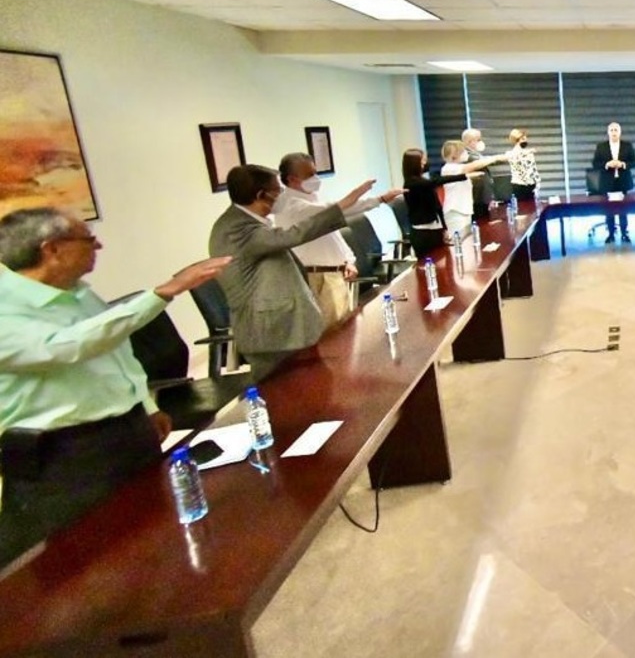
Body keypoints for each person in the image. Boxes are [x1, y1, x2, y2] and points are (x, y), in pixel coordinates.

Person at [0, 207, 230, 567]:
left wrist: (145, 406)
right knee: (87, 558)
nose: (99, 246)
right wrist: (163, 293)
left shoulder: (77, 293)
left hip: (125, 433)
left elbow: (118, 352)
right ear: (52, 249)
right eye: (89, 239)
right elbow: (68, 346)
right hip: (63, 456)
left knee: (150, 533)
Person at [209, 164, 377, 379]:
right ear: (260, 195)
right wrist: (343, 204)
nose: (282, 194)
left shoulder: (247, 220)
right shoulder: (236, 229)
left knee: (313, 385)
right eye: (277, 190)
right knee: (283, 391)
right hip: (270, 333)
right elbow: (295, 234)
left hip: (284, 328)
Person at [273, 152, 405, 329]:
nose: (315, 178)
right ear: (292, 179)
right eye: (309, 175)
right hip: (318, 278)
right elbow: (338, 209)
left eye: (315, 172)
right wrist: (364, 194)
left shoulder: (312, 197)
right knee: (333, 334)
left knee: (346, 330)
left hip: (337, 274)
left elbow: (333, 235)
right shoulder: (291, 206)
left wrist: (348, 260)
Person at [401, 148, 474, 258]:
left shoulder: (422, 181)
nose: (425, 163)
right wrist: (463, 176)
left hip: (435, 229)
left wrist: (444, 228)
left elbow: (437, 206)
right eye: (422, 161)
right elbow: (436, 181)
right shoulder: (412, 183)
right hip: (423, 233)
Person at [439, 141, 507, 238]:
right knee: (459, 241)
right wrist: (495, 158)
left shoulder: (457, 168)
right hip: (456, 211)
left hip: (465, 210)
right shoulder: (448, 168)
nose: (465, 154)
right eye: (462, 151)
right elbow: (474, 165)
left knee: (468, 240)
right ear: (454, 154)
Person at [590, 122, 635, 244]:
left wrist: (623, 164)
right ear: (608, 132)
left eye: (616, 130)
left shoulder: (627, 146)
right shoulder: (601, 147)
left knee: (624, 209)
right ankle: (611, 234)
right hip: (607, 183)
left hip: (623, 182)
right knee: (609, 210)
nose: (614, 132)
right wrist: (607, 164)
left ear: (620, 132)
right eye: (611, 130)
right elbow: (595, 163)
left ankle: (624, 233)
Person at [462, 128, 497, 222]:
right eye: (478, 140)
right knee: (480, 223)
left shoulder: (476, 154)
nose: (481, 142)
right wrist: (498, 158)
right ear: (469, 141)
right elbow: (484, 162)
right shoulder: (466, 155)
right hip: (476, 198)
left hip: (482, 198)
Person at [505, 129, 541, 201]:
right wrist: (528, 151)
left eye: (526, 139)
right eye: (523, 139)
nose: (525, 141)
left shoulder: (529, 154)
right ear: (516, 140)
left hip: (531, 185)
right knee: (521, 206)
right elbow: (514, 156)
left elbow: (533, 168)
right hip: (518, 186)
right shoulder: (510, 153)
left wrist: (538, 182)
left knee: (532, 206)